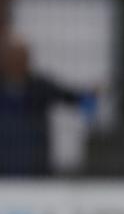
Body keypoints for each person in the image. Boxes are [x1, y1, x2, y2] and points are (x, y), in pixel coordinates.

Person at [0, 33, 92, 175]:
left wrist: (92, 96)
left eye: (21, 57)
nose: (16, 61)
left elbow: (72, 97)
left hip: (34, 165)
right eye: (12, 57)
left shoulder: (40, 87)